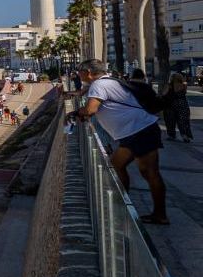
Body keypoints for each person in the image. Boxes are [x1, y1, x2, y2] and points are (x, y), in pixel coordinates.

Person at [77, 58, 168, 224]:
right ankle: (123, 204)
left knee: (149, 172)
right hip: (137, 130)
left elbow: (90, 110)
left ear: (88, 72)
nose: (78, 74)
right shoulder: (106, 82)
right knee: (120, 165)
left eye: (80, 71)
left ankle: (156, 213)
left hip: (140, 130)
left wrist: (77, 113)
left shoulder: (99, 85)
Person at [163, 71, 194, 143]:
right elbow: (183, 92)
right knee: (183, 121)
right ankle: (185, 136)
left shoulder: (169, 85)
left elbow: (164, 94)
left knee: (170, 120)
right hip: (182, 104)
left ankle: (171, 135)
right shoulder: (184, 85)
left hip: (171, 104)